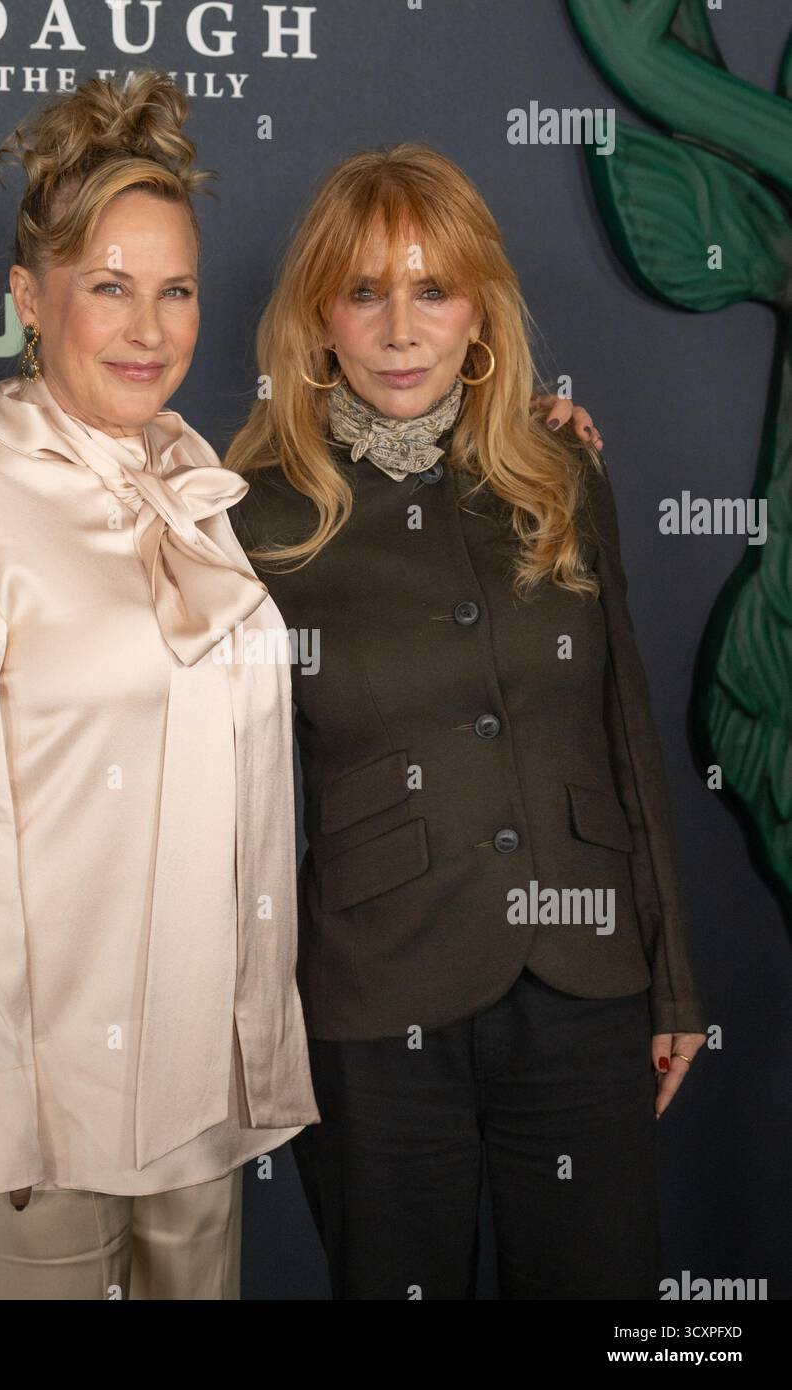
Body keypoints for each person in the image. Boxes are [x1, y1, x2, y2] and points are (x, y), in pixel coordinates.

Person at [0, 71, 320, 1301]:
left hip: (196, 1090)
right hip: (43, 1119)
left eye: (173, 291)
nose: (148, 327)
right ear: (28, 296)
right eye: (108, 286)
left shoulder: (194, 479)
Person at [227, 142, 707, 1300]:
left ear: (479, 308)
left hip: (585, 981)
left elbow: (623, 730)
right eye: (365, 291)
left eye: (432, 289)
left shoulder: (559, 471)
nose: (401, 328)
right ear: (317, 317)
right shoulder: (255, 511)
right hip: (373, 1001)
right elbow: (224, 797)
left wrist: (673, 979)